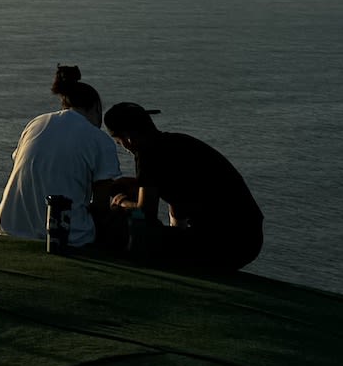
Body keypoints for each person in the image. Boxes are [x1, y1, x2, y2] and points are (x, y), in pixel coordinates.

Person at [103, 102, 265, 273]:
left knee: (128, 228)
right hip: (248, 239)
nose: (124, 148)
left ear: (128, 138)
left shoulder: (147, 154)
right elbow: (176, 195)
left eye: (119, 142)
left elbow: (145, 213)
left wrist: (121, 202)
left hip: (223, 244)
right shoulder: (177, 143)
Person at [0, 65, 122, 250]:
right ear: (94, 107)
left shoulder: (36, 123)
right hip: (70, 235)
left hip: (9, 226)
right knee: (122, 217)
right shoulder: (99, 139)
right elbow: (101, 207)